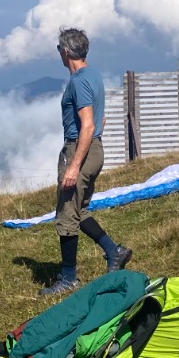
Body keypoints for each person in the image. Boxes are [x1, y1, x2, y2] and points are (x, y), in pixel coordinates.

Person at [39, 27, 131, 297]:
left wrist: (73, 164)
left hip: (79, 148)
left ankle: (68, 278)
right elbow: (99, 120)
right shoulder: (94, 75)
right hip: (95, 149)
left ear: (65, 52)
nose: (59, 54)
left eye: (59, 50)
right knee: (80, 210)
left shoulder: (78, 81)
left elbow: (88, 125)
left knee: (67, 213)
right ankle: (114, 252)